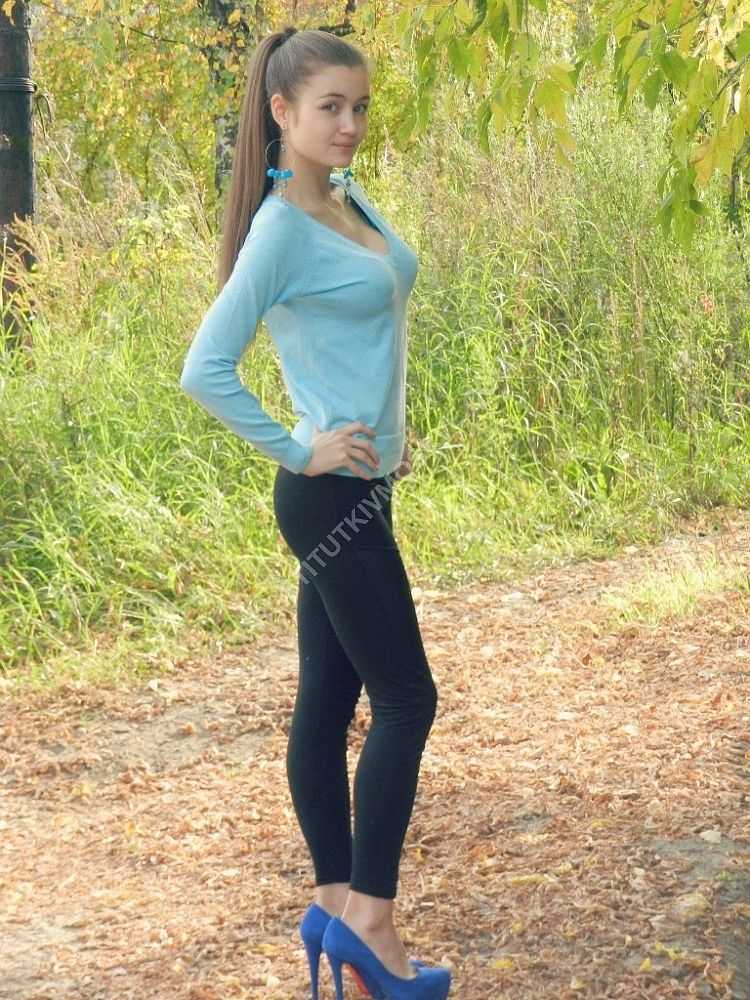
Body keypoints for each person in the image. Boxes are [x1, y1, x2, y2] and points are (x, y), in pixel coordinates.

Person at [180, 26, 451, 1000]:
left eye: (360, 106)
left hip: (361, 484)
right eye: (330, 107)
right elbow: (204, 368)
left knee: (329, 702)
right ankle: (371, 922)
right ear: (282, 112)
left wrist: (386, 429)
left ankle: (334, 901)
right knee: (408, 697)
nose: (349, 124)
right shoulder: (281, 229)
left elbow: (366, 326)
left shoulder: (344, 198)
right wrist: (302, 447)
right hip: (327, 493)